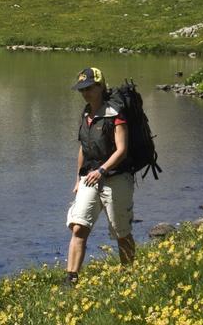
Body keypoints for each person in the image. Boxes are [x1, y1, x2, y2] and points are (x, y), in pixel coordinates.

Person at [63, 67, 136, 287]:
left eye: (89, 88)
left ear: (100, 86)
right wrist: (78, 178)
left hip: (115, 178)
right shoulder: (86, 114)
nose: (84, 93)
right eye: (81, 89)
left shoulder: (116, 114)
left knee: (121, 232)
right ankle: (71, 279)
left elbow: (121, 150)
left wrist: (102, 170)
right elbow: (83, 149)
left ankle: (128, 276)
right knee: (78, 227)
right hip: (89, 178)